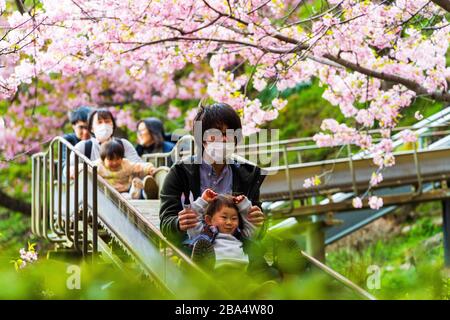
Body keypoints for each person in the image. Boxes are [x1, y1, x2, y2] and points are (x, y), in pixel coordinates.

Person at [159, 103, 271, 278]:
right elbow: (166, 223)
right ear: (202, 138)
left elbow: (256, 226)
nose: (224, 139)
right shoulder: (180, 172)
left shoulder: (247, 174)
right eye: (216, 134)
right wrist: (178, 224)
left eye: (229, 134)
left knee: (268, 275)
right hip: (196, 248)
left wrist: (259, 222)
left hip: (238, 247)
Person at [187, 189, 257, 270]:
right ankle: (198, 265)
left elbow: (251, 225)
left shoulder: (240, 234)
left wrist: (244, 205)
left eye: (234, 218)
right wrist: (202, 201)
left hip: (240, 268)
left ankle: (266, 283)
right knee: (199, 242)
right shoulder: (205, 234)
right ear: (209, 220)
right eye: (224, 217)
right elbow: (192, 221)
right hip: (215, 268)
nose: (229, 222)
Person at [93, 139, 159, 199]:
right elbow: (86, 167)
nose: (114, 162)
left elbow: (138, 166)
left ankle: (145, 192)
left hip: (124, 191)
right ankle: (139, 195)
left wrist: (150, 168)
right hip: (105, 192)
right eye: (111, 160)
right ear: (103, 159)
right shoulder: (98, 165)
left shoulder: (125, 164)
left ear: (122, 158)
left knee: (135, 183)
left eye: (118, 159)